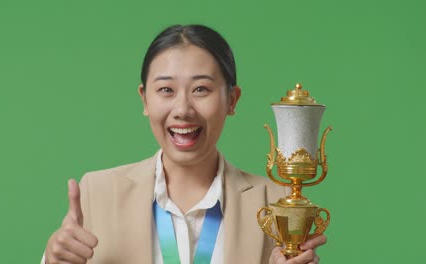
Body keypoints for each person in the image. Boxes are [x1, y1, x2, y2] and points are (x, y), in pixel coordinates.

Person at [42, 24, 327, 264]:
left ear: (232, 100)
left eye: (201, 89)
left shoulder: (277, 203)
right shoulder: (98, 193)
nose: (183, 109)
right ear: (144, 99)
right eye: (166, 90)